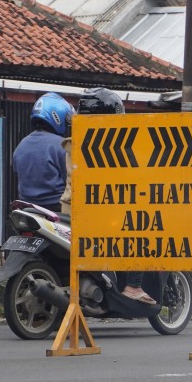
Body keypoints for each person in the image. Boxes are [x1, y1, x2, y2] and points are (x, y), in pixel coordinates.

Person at [62, 88, 155, 305]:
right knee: (142, 230)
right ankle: (133, 286)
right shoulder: (111, 147)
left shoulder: (73, 144)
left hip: (69, 209)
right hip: (100, 211)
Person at [12, 93, 75, 213]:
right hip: (56, 208)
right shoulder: (61, 145)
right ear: (57, 117)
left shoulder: (21, 145)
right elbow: (69, 178)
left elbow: (17, 173)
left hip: (26, 207)